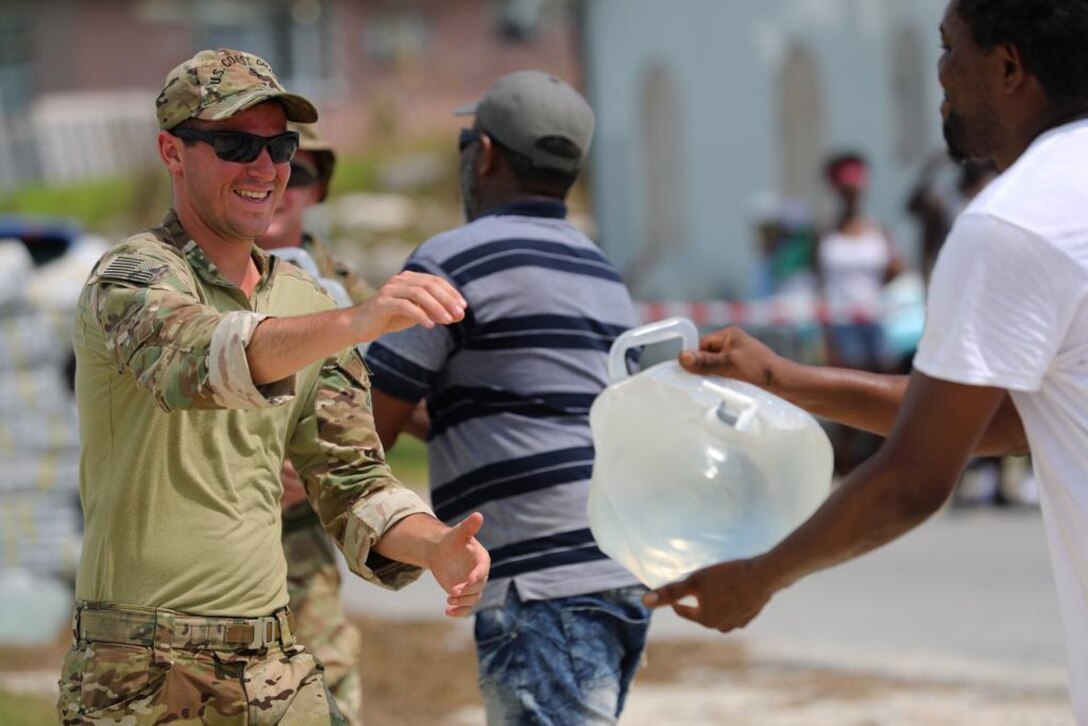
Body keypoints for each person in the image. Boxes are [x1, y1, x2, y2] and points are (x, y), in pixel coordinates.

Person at [644, 1, 1088, 721]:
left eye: (949, 47)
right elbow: (1005, 421)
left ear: (1008, 68)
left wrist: (760, 577)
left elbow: (913, 478)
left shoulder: (1015, 220)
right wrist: (783, 380)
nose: (937, 71)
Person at [59, 48, 489, 725]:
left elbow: (353, 478)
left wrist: (433, 544)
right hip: (139, 671)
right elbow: (203, 358)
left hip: (271, 666)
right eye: (236, 144)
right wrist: (355, 319)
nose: (266, 170)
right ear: (173, 151)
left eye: (280, 146)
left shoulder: (304, 298)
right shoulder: (132, 279)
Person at [366, 70, 651, 725]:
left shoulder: (451, 262)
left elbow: (364, 431)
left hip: (537, 586)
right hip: (612, 573)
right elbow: (536, 412)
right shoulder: (600, 272)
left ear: (484, 154)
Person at [254, 121, 369, 723]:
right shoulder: (181, 275)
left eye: (296, 170)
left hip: (303, 531)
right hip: (207, 524)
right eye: (251, 155)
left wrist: (310, 464)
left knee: (323, 682)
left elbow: (373, 400)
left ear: (318, 186)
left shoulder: (347, 289)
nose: (277, 180)